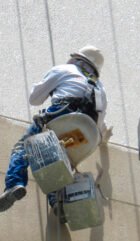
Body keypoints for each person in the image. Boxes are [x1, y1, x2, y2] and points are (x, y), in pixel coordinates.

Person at [0, 45, 110, 218]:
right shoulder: (101, 90)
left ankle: (14, 184)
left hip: (61, 120)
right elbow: (100, 125)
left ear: (77, 59)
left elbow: (34, 98)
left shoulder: (65, 69)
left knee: (23, 148)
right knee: (58, 161)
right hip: (83, 137)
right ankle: (59, 204)